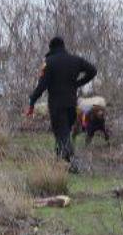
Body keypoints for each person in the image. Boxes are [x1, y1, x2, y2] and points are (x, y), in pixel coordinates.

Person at [26, 36, 97, 164]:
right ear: (63, 46)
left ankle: (69, 161)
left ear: (51, 47)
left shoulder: (49, 62)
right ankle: (61, 162)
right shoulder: (75, 60)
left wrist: (32, 100)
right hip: (71, 104)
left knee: (61, 134)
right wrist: (78, 83)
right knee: (64, 133)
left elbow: (42, 85)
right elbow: (93, 70)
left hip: (56, 105)